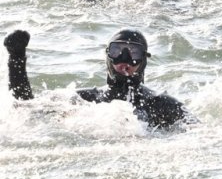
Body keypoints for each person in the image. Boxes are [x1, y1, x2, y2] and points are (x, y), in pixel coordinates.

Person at [4, 29, 190, 129]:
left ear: (143, 60)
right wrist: (16, 60)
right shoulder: (83, 100)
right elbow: (25, 109)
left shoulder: (161, 105)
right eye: (117, 51)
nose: (124, 59)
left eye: (133, 52)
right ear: (108, 56)